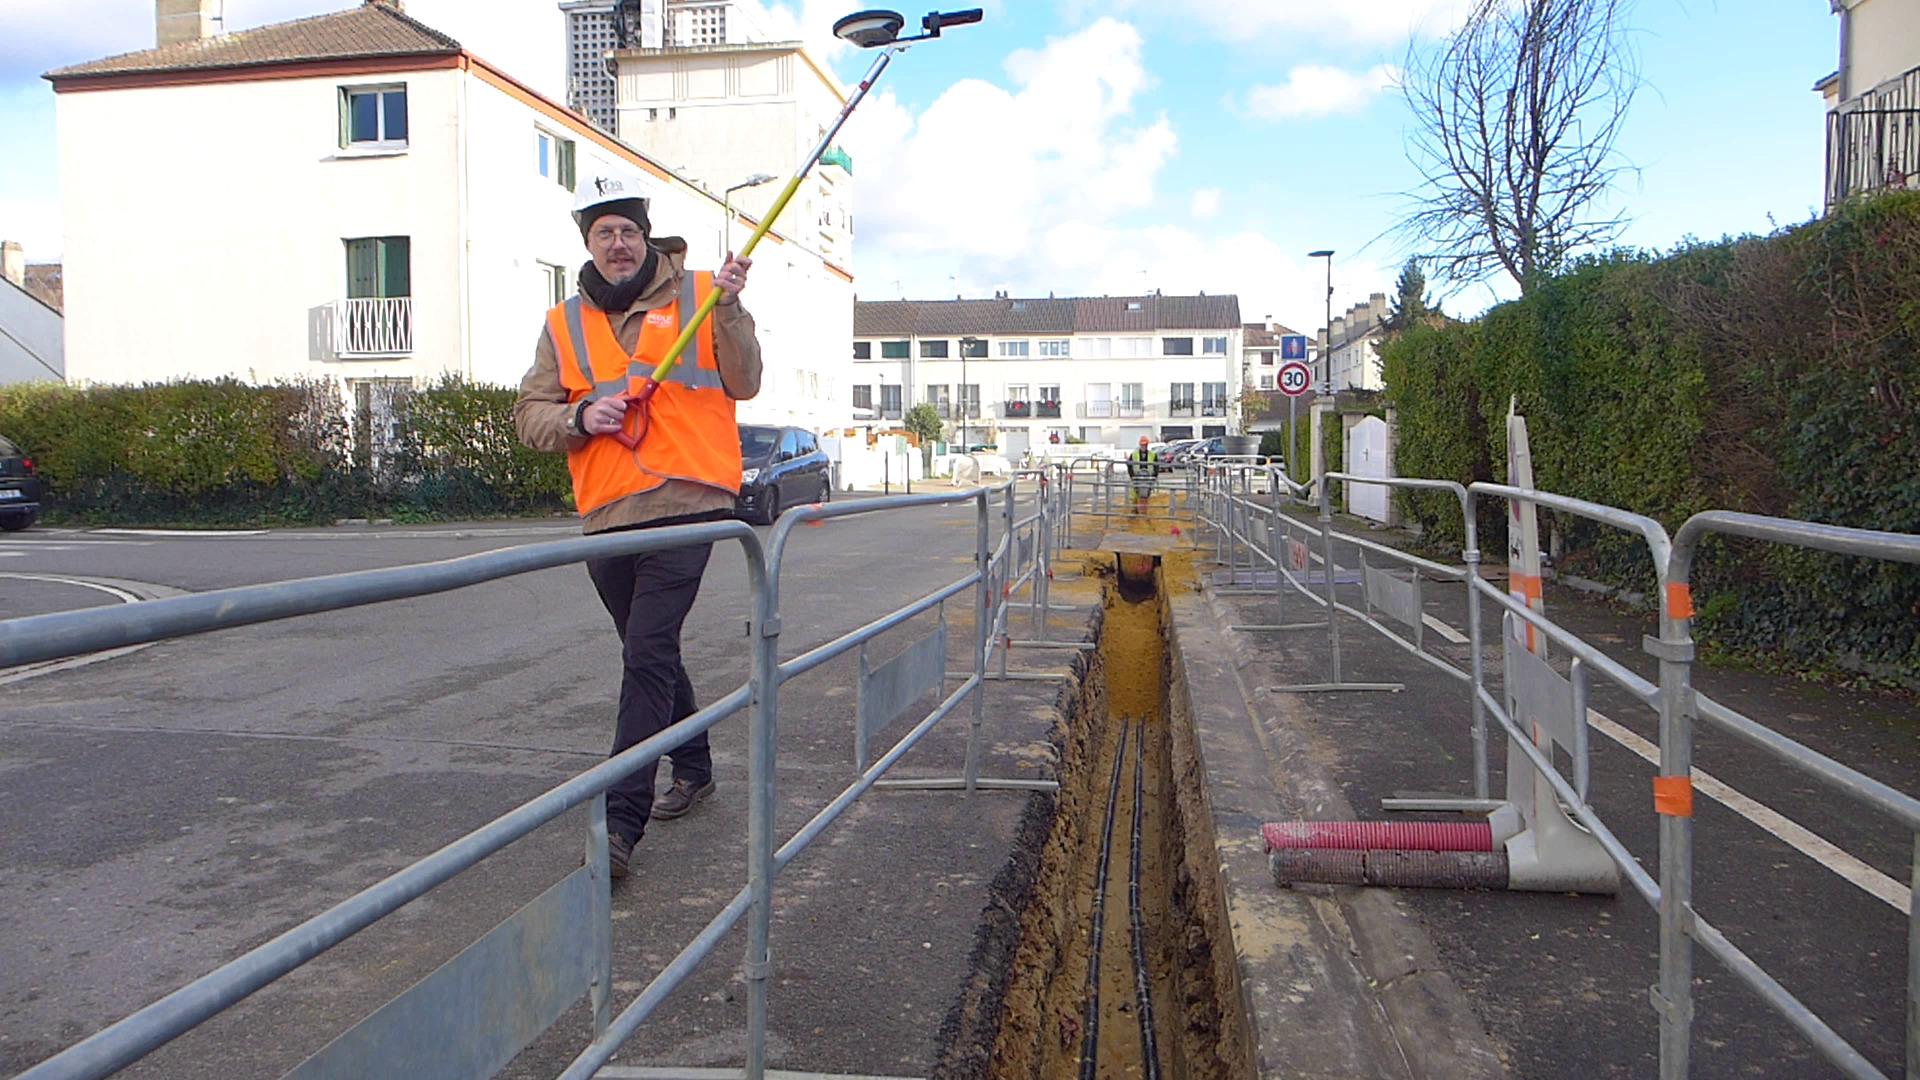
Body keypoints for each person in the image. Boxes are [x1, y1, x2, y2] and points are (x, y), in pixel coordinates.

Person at [513, 173, 761, 880]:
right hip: (607, 512)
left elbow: (744, 382)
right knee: (646, 649)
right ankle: (696, 762)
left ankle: (618, 827)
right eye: (604, 234)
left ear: (646, 235)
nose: (618, 244)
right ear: (587, 244)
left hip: (690, 501)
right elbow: (530, 413)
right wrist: (577, 416)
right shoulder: (563, 324)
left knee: (646, 651)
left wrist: (734, 311)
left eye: (628, 230)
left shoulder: (704, 292)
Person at [1127, 435, 1157, 514]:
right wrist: (1132, 475)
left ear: (1147, 445)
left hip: (1148, 477)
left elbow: (1156, 466)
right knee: (1134, 494)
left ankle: (1144, 512)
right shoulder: (1134, 454)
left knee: (1145, 495)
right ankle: (1134, 509)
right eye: (1142, 445)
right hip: (1136, 476)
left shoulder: (1152, 454)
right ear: (1140, 445)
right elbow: (1129, 465)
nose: (1144, 446)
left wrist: (1154, 477)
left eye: (1145, 445)